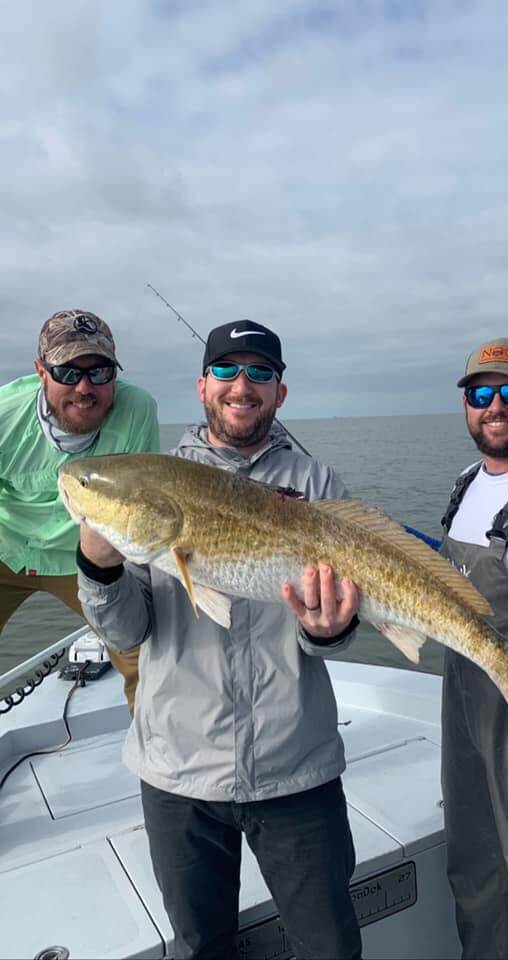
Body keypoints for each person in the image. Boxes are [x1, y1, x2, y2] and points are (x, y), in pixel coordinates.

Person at [77, 319, 363, 960]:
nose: (243, 385)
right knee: (199, 948)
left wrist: (333, 628)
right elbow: (127, 631)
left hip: (298, 770)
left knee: (332, 948)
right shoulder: (157, 481)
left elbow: (335, 629)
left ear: (280, 393)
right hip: (179, 774)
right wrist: (99, 562)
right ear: (203, 385)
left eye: (260, 372)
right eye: (228, 371)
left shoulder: (316, 484)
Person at [0, 309, 160, 712]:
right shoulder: (4, 414)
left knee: (149, 654)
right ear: (40, 372)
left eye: (100, 372)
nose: (85, 387)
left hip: (88, 555)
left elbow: (143, 502)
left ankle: (162, 760)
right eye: (68, 373)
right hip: (6, 548)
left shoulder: (138, 410)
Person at [440, 337, 508, 960]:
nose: (495, 406)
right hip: (464, 697)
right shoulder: (463, 484)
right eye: (481, 393)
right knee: (475, 864)